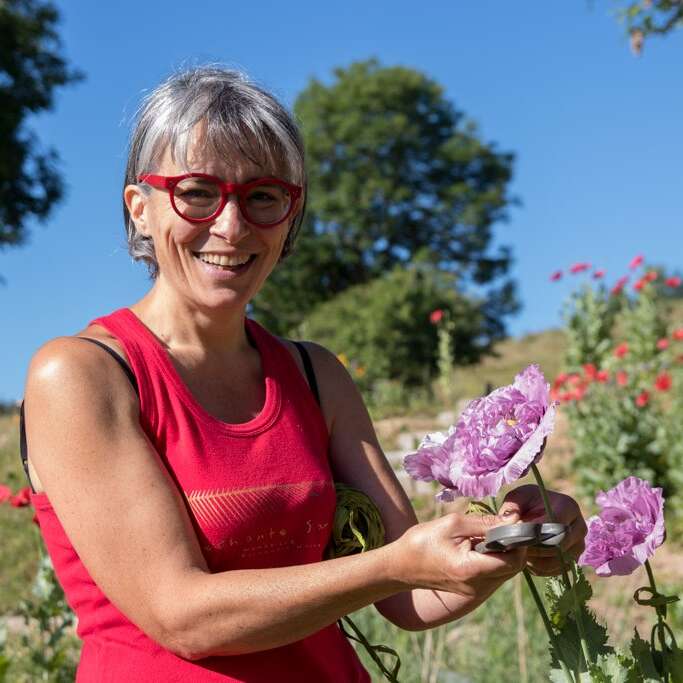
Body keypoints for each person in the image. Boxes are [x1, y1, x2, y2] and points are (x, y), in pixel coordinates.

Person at [21, 66, 587, 682]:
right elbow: (181, 615)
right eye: (197, 192)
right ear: (141, 209)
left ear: (290, 218)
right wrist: (394, 565)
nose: (231, 225)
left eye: (263, 196)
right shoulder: (82, 375)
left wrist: (508, 544)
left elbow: (411, 598)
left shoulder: (316, 375)